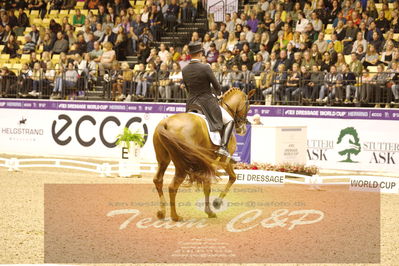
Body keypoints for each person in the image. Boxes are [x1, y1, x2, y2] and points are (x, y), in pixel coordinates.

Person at [182, 41, 234, 158]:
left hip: (191, 103)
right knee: (230, 120)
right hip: (206, 101)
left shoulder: (184, 70)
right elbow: (216, 86)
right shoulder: (205, 67)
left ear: (190, 54)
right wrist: (219, 94)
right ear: (200, 54)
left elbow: (187, 88)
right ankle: (223, 148)